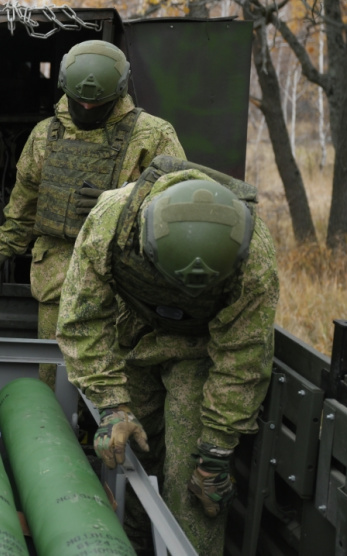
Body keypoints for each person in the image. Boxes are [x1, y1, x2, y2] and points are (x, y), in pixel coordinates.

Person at [55, 156, 280, 555]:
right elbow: (83, 320)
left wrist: (216, 451)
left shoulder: (254, 257)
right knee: (127, 460)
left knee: (194, 487)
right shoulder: (111, 221)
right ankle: (129, 545)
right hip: (133, 337)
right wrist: (112, 407)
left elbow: (242, 358)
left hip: (201, 352)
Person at [0, 39, 186, 386]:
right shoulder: (46, 134)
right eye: (80, 102)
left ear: (118, 93)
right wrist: (6, 245)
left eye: (98, 104)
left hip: (121, 278)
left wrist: (120, 202)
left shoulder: (152, 134)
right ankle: (49, 436)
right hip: (56, 274)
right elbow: (27, 196)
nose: (87, 108)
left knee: (116, 374)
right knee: (52, 371)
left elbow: (179, 204)